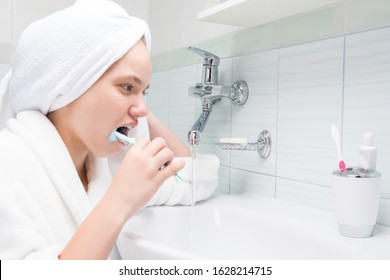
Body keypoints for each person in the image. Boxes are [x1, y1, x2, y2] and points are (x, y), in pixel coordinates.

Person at [0, 0, 219, 260]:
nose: (142, 108)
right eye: (127, 87)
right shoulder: (8, 167)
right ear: (71, 83)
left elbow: (195, 179)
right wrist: (120, 201)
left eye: (145, 91)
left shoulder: (110, 165)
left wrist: (136, 106)